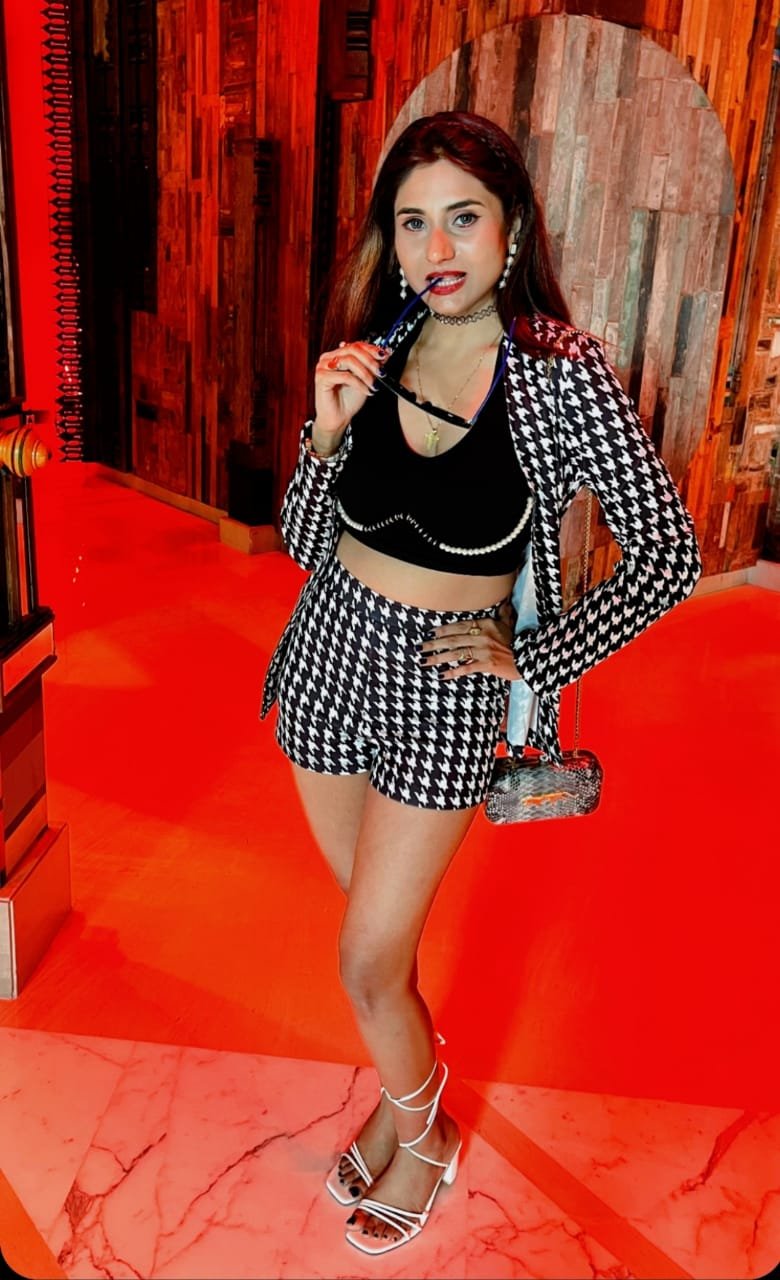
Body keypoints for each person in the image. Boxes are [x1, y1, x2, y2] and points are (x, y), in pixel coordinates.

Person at [260, 111, 701, 1256]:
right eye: (413, 223)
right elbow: (303, 541)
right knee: (382, 942)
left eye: (463, 216)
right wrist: (323, 433)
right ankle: (406, 1099)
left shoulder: (560, 373)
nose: (437, 247)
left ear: (511, 226)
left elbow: (670, 552)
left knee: (366, 960)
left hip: (445, 683)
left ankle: (427, 1135)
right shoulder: (380, 345)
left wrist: (536, 658)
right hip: (325, 654)